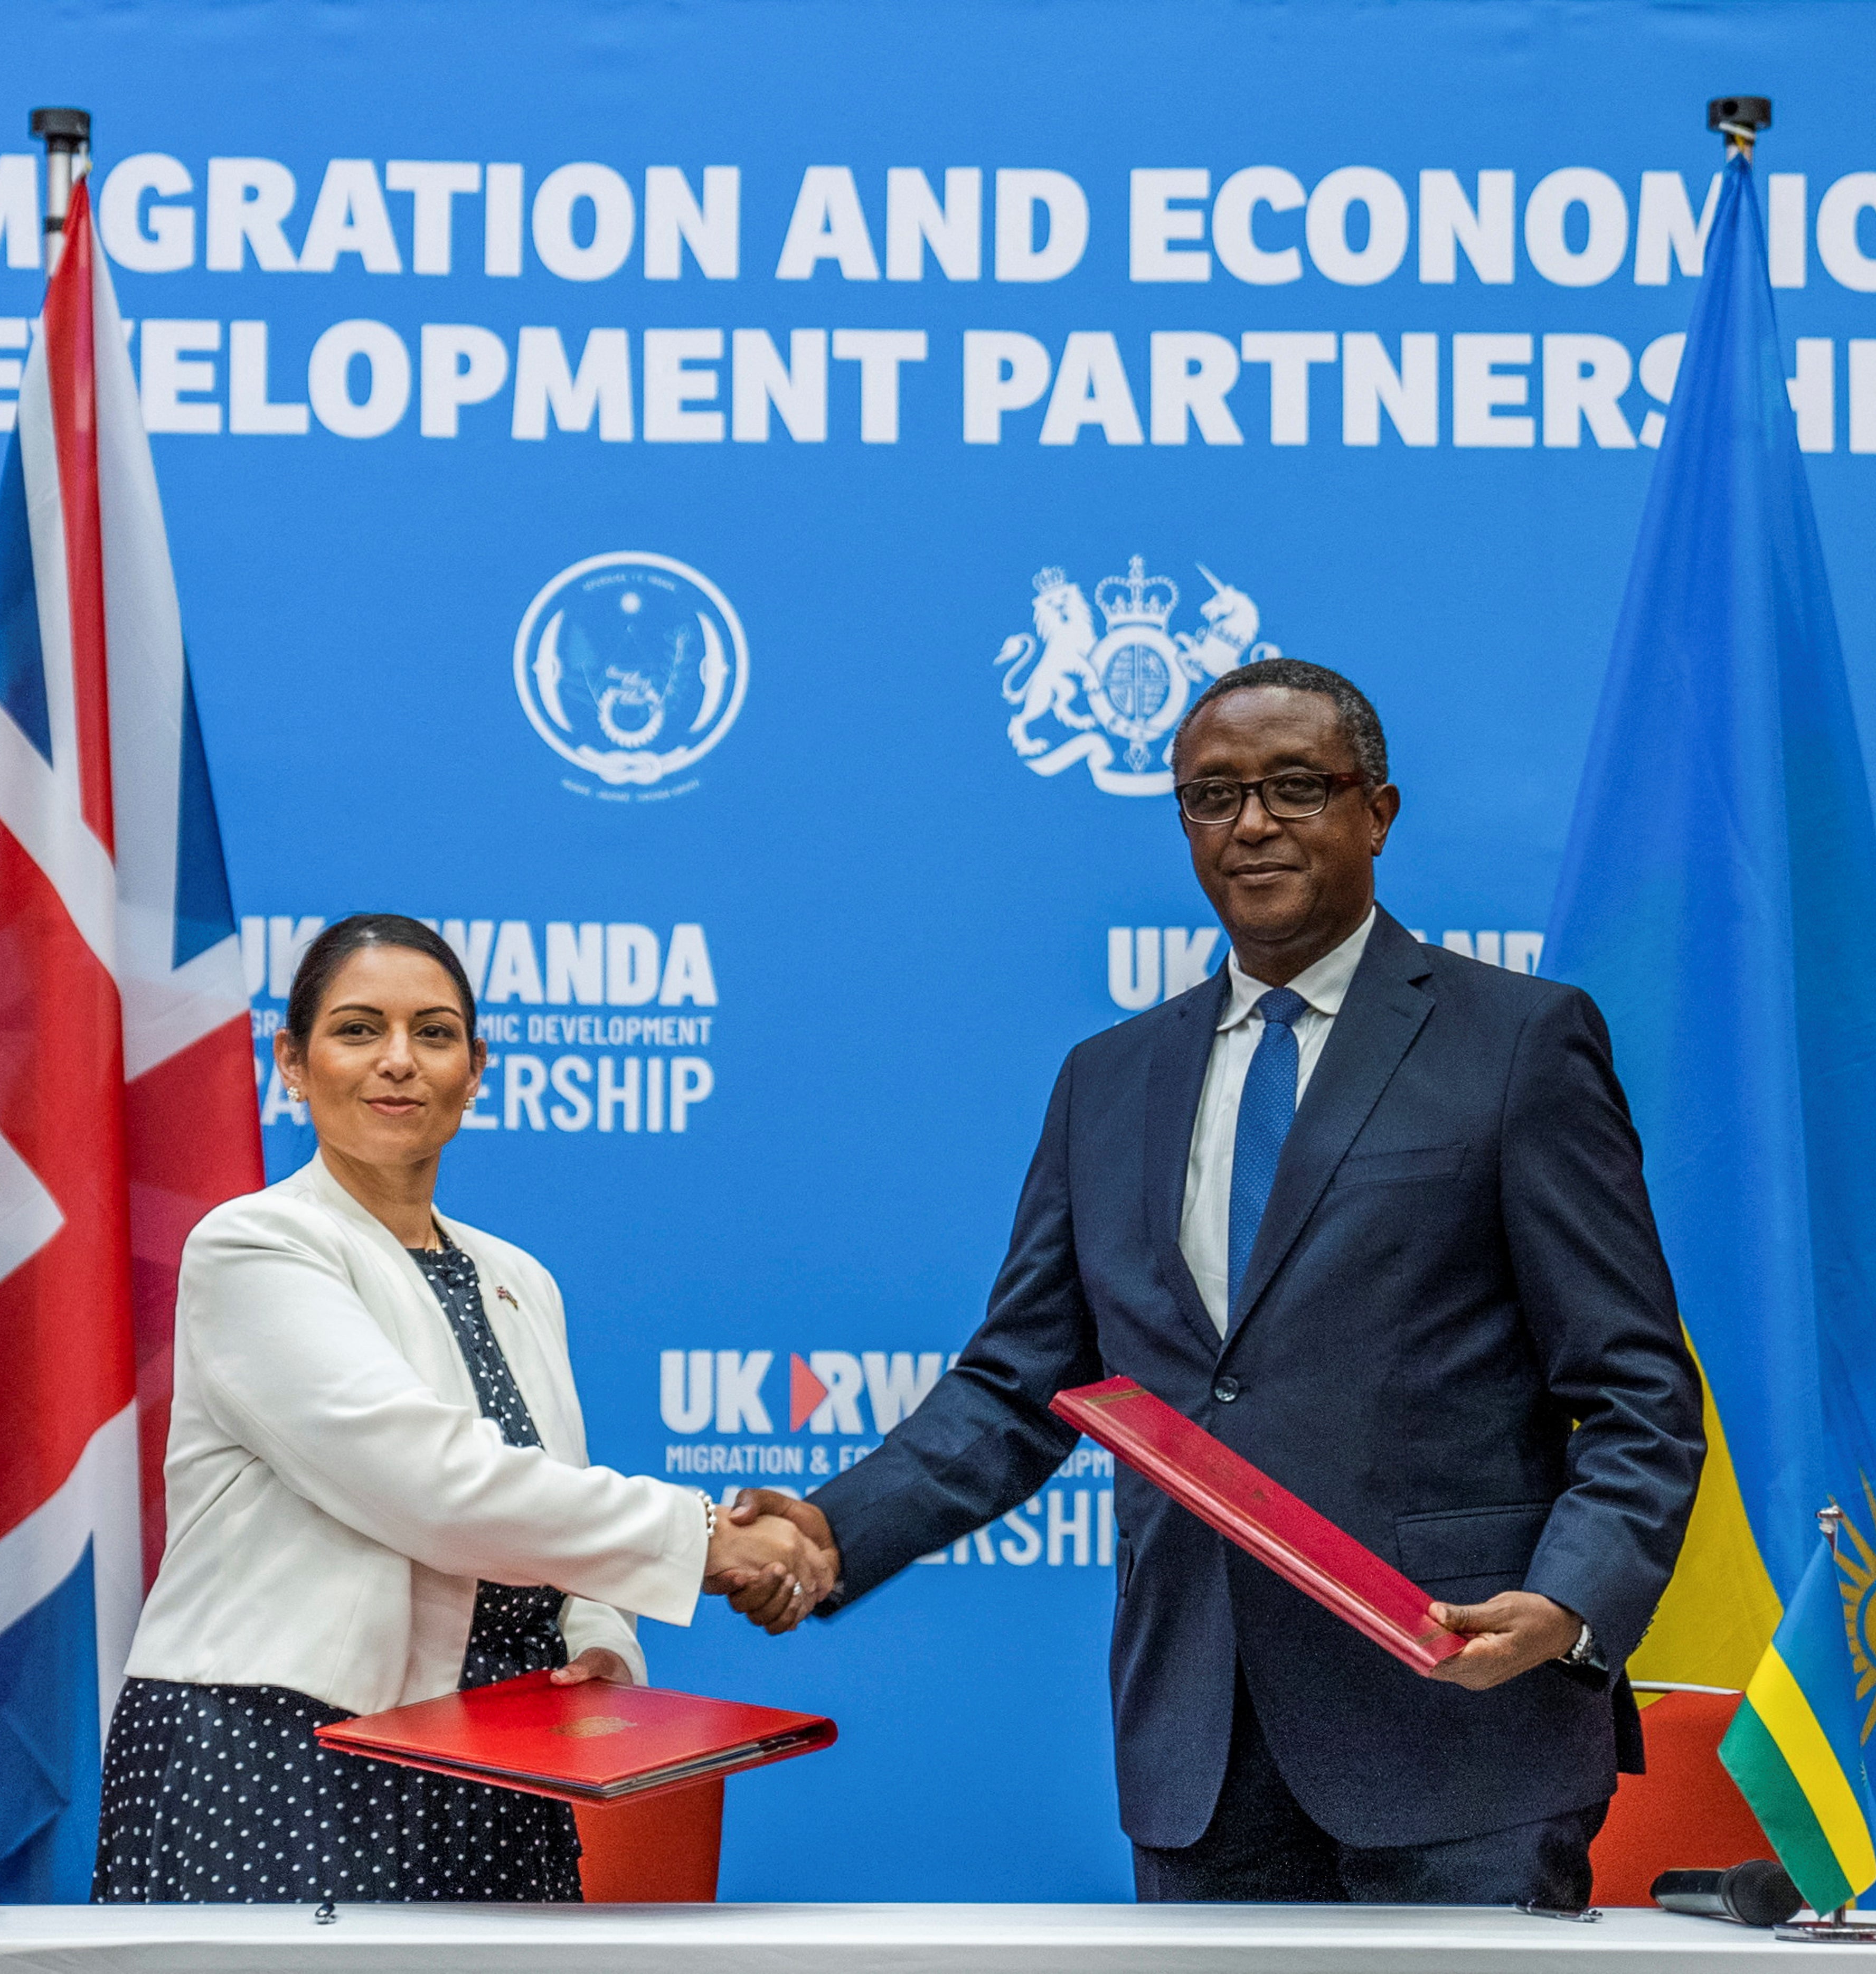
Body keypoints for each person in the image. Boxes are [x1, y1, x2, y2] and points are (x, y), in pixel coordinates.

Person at [726, 660, 1703, 1906]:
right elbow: (1020, 1384)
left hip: (1461, 1723)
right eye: (1212, 797)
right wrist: (828, 1531)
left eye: (1298, 788)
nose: (1252, 825)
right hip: (1199, 1737)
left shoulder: (1519, 1041)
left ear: (1380, 812)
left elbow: (1638, 1391)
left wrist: (1571, 1603)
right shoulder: (1108, 1078)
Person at [95, 914, 829, 1904]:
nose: (398, 1061)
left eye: (433, 1033)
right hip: (281, 1748)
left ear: (475, 1067)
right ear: (293, 1063)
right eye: (358, 1029)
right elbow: (432, 1485)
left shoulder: (518, 1276)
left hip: (499, 1772)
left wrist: (600, 1641)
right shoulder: (257, 1244)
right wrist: (711, 1539)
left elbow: (552, 1500)